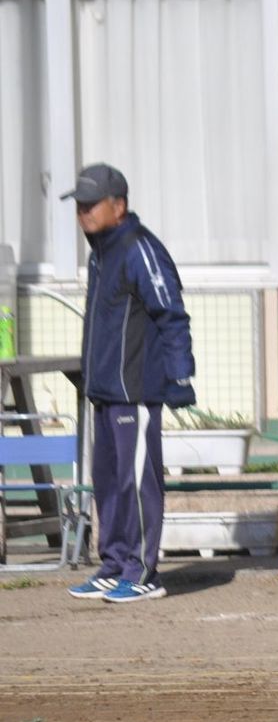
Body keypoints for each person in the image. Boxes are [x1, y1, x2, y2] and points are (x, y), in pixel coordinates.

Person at [61, 164, 196, 605]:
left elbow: (170, 312)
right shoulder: (101, 253)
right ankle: (115, 563)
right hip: (104, 392)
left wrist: (179, 375)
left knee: (138, 482)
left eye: (90, 204)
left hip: (135, 391)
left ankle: (142, 571)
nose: (82, 212)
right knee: (108, 481)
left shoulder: (140, 248)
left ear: (118, 206)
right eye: (78, 205)